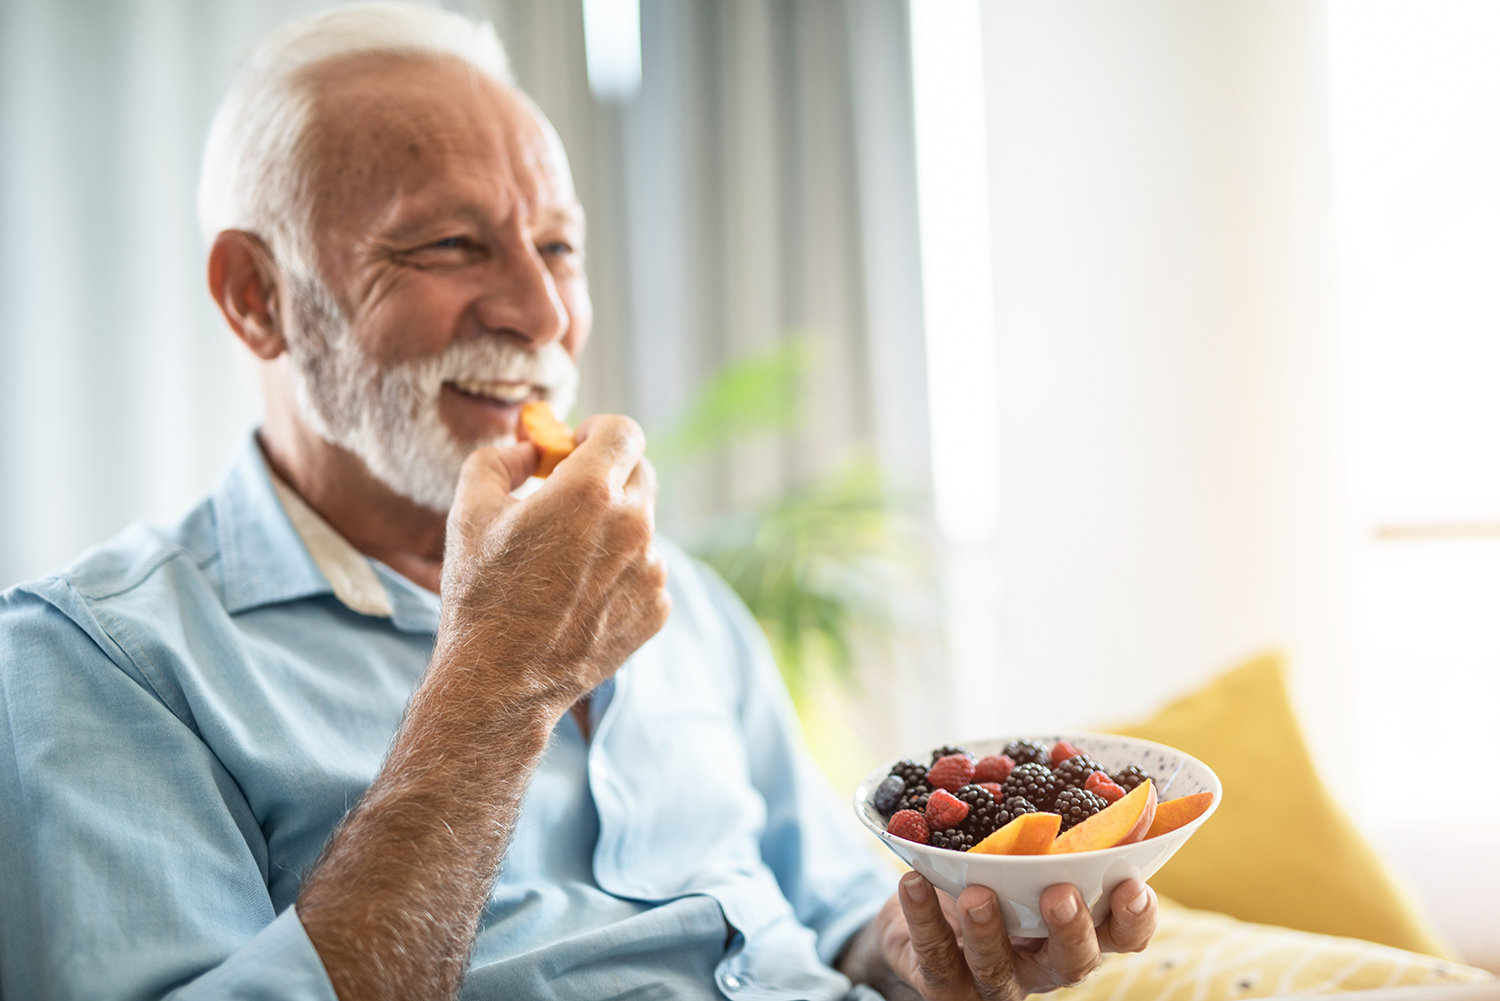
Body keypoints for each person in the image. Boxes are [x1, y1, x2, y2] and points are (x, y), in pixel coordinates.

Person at [0, 5, 1157, 999]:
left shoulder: (675, 595)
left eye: (557, 246)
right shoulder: (94, 660)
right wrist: (499, 679)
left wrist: (945, 943)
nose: (543, 317)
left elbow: (840, 914)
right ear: (259, 296)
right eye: (452, 242)